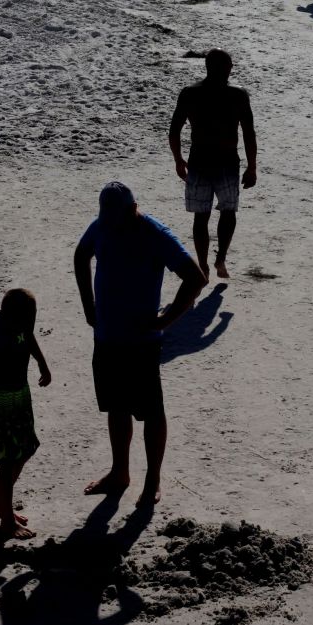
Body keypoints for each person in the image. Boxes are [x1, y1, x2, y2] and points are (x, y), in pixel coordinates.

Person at [74, 182, 205, 507]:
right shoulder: (101, 225)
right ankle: (120, 472)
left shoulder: (155, 234)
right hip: (107, 338)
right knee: (116, 406)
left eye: (116, 220)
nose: (112, 227)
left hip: (141, 343)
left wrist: (165, 320)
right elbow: (81, 255)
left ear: (133, 210)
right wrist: (89, 306)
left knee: (152, 412)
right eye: (107, 220)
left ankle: (152, 480)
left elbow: (195, 278)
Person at [169, 50, 257, 282]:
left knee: (202, 216)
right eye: (229, 65)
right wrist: (252, 167)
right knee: (228, 211)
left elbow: (174, 130)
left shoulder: (190, 93)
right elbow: (249, 133)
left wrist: (178, 159)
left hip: (199, 161)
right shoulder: (237, 95)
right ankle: (220, 259)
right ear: (227, 68)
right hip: (226, 162)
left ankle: (204, 264)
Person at [0, 288, 51, 540]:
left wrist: (41, 362)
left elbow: (28, 336)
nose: (31, 323)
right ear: (9, 316)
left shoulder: (22, 324)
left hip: (20, 396)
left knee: (26, 448)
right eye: (29, 318)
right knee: (8, 460)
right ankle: (6, 519)